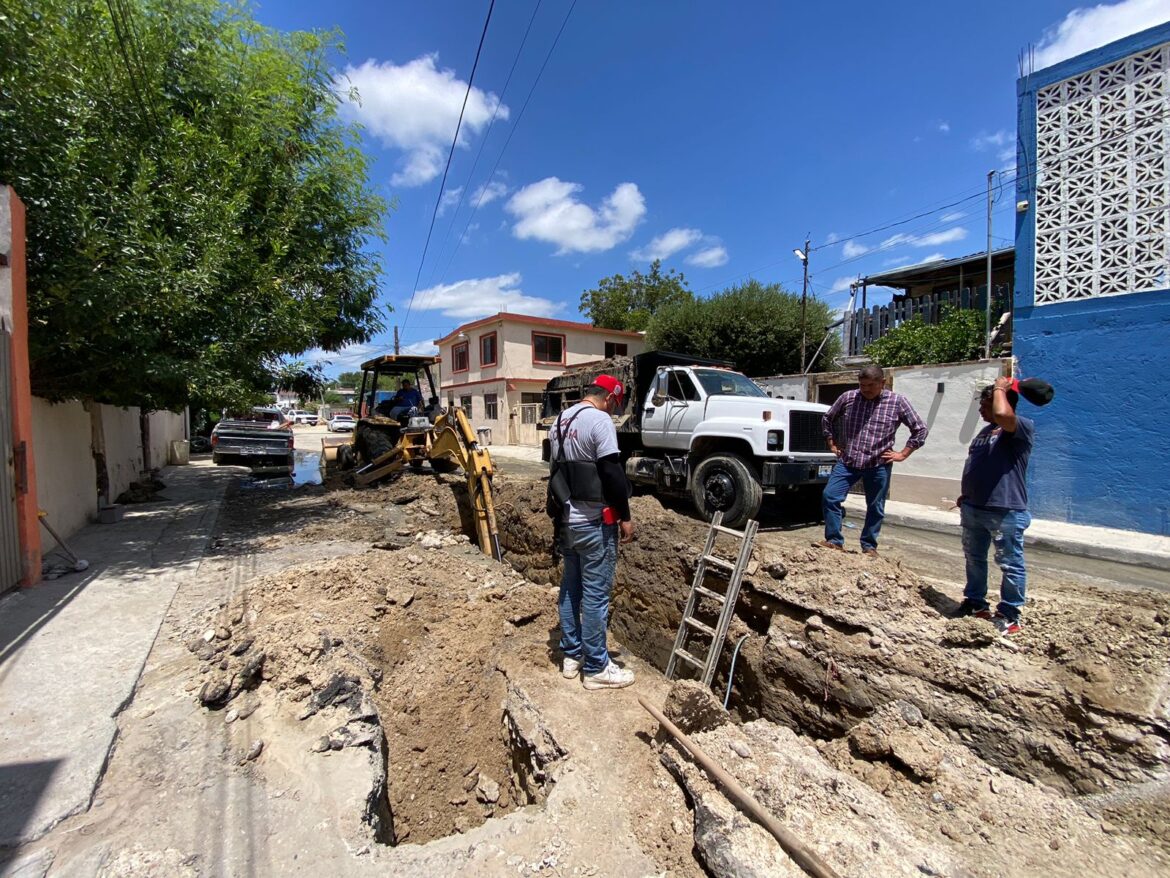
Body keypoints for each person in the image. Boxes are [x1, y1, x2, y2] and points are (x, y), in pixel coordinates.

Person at [547, 374, 635, 690]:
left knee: (570, 588)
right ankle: (597, 667)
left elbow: (556, 471)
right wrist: (624, 516)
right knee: (595, 597)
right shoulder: (599, 421)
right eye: (616, 404)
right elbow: (611, 471)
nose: (614, 410)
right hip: (595, 523)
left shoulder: (560, 420)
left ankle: (572, 657)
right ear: (610, 397)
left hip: (567, 522)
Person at [951, 377, 1035, 636]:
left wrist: (1000, 386)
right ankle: (976, 603)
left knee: (1009, 563)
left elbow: (1001, 413)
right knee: (974, 559)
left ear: (1002, 402)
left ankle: (1010, 613)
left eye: (985, 404)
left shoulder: (1020, 427)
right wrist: (966, 495)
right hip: (974, 507)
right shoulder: (986, 431)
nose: (980, 410)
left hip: (1005, 511)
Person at [818, 365, 928, 556]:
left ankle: (869, 546)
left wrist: (903, 454)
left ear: (882, 383)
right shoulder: (848, 398)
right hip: (849, 461)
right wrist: (831, 442)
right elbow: (828, 418)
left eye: (870, 385)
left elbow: (920, 429)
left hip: (878, 464)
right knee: (830, 496)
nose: (865, 389)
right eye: (862, 385)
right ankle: (834, 540)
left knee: (875, 507)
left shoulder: (897, 402)